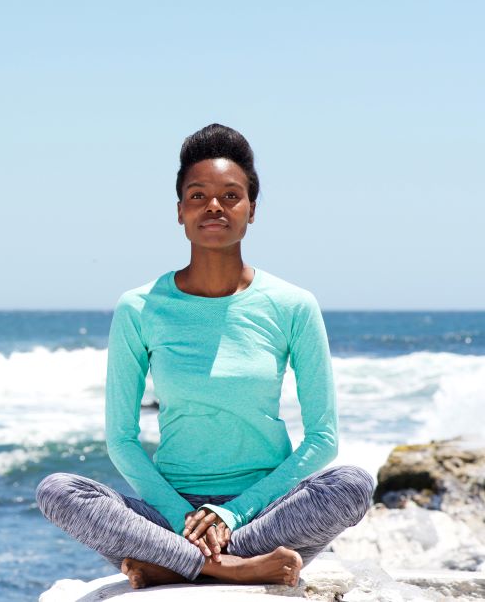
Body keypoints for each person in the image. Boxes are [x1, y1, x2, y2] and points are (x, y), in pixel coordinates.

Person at [35, 123, 375, 589]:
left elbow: (323, 439)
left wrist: (231, 514)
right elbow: (121, 438)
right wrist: (183, 517)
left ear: (252, 210)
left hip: (264, 512)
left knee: (353, 483)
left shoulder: (293, 305)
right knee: (58, 491)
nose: (214, 206)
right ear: (179, 211)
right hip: (171, 509)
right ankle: (229, 568)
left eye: (230, 196)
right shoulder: (140, 307)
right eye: (198, 195)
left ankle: (174, 565)